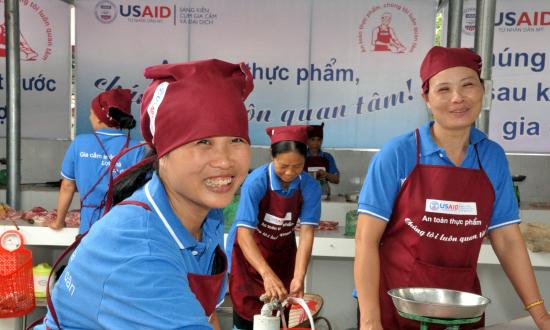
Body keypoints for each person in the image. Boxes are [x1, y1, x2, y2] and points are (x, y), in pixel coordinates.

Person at [35, 59, 254, 329]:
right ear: (163, 153)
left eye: (236, 140)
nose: (224, 160)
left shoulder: (206, 216)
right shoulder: (139, 253)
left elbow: (203, 311)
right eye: (203, 142)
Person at [354, 46, 550, 330]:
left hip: (461, 306)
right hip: (393, 306)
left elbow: (507, 240)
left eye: (467, 85)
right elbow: (365, 239)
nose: (457, 98)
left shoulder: (491, 156)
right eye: (443, 89)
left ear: (482, 90)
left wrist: (540, 315)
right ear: (427, 98)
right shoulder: (399, 153)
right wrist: (370, 320)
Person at [226, 125, 322, 330]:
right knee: (247, 317)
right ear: (272, 156)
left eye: (297, 166)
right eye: (283, 165)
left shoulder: (309, 187)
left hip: (283, 256)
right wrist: (266, 274)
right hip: (250, 257)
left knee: (279, 317)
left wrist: (299, 276)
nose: (289, 172)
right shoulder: (257, 182)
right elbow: (244, 234)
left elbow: (306, 234)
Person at [49, 88, 144, 234]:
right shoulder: (137, 148)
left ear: (99, 118)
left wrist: (59, 221)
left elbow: (67, 186)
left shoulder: (79, 143)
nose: (90, 117)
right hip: (124, 229)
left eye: (90, 113)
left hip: (89, 230)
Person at [305, 122, 340, 198]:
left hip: (323, 196)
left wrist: (326, 174)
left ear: (322, 141)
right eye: (312, 139)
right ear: (307, 141)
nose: (316, 143)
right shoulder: (301, 157)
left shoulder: (327, 157)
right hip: (305, 196)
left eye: (319, 140)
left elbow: (336, 179)